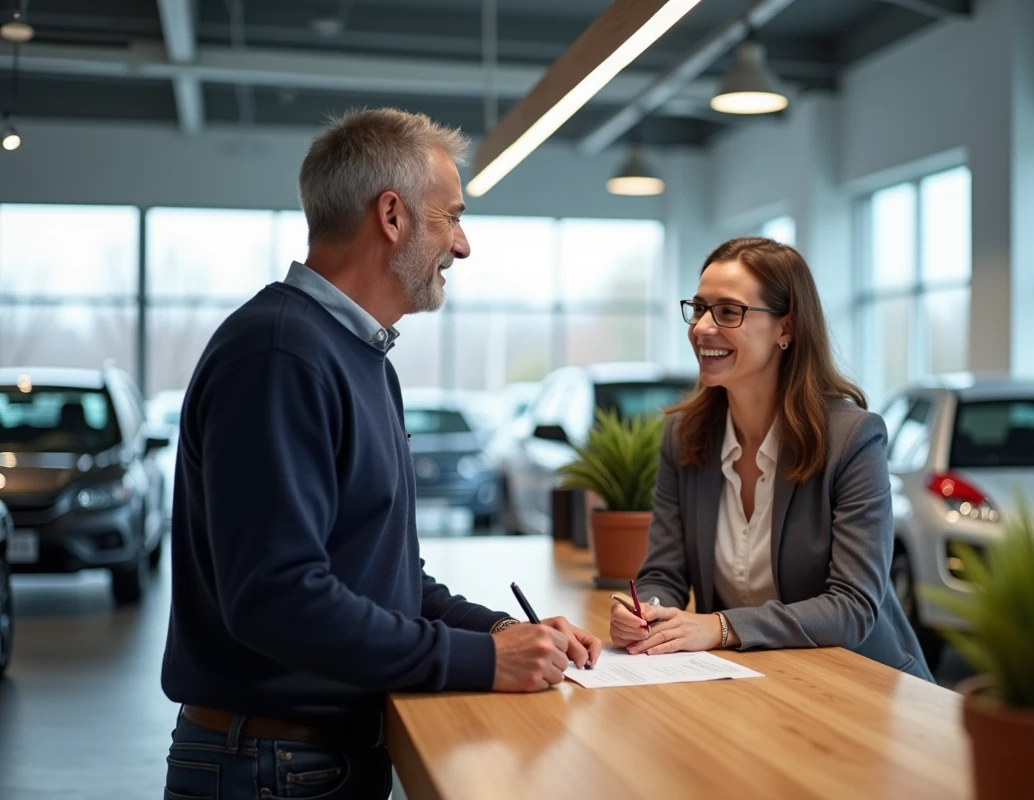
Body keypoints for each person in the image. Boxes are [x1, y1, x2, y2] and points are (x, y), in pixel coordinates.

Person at [160, 108, 601, 800]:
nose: (463, 245)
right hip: (271, 768)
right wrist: (479, 659)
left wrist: (505, 634)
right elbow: (277, 599)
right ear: (391, 216)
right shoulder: (280, 355)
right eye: (451, 217)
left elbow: (385, 579)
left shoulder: (359, 358)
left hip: (315, 760)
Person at [610, 236, 933, 681]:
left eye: (727, 311)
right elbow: (664, 572)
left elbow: (853, 607)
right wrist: (645, 610)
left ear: (786, 328)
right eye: (699, 308)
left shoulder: (852, 438)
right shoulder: (684, 437)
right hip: (752, 682)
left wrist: (721, 627)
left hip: (863, 684)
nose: (702, 328)